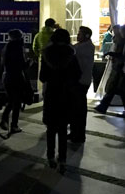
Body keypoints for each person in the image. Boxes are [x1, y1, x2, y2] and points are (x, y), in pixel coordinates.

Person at [39, 28, 81, 173]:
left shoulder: (47, 53)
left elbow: (42, 77)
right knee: (63, 129)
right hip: (66, 94)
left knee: (51, 128)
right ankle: (62, 159)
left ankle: (50, 157)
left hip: (51, 94)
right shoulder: (71, 54)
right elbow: (78, 74)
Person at [95, 25, 125, 116]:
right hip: (122, 68)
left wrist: (112, 55)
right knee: (117, 88)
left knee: (119, 88)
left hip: (123, 68)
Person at [69, 26, 94, 143]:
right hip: (79, 80)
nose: (78, 36)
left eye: (80, 34)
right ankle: (74, 132)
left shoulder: (86, 47)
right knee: (75, 108)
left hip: (81, 81)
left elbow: (72, 50)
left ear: (86, 36)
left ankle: (78, 134)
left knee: (78, 109)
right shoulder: (81, 45)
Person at [0, 29, 27, 134]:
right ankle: (13, 125)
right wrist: (29, 63)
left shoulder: (7, 47)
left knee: (11, 100)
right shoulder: (18, 47)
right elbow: (22, 64)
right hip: (16, 77)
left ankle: (5, 120)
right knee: (16, 102)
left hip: (7, 76)